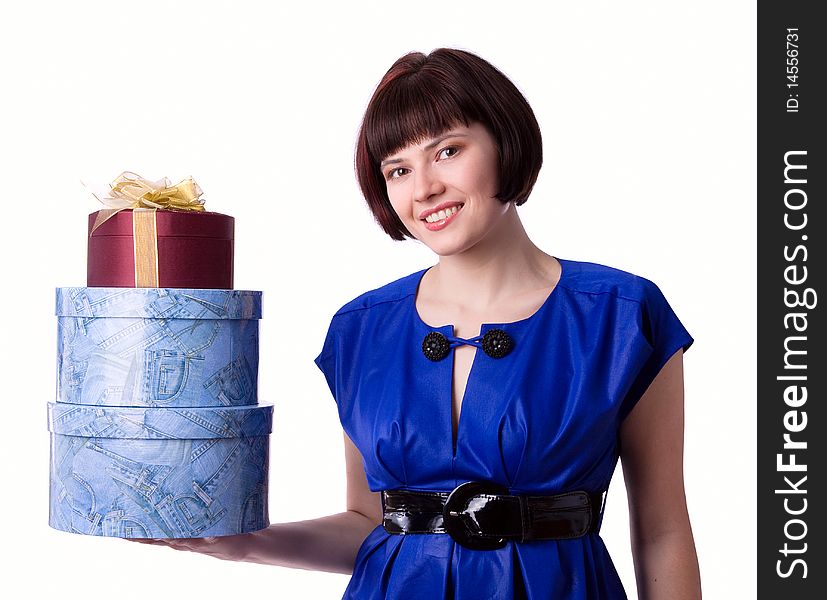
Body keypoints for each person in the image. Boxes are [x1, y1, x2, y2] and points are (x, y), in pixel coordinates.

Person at [131, 48, 702, 600]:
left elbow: (661, 531)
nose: (424, 187)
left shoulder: (622, 314)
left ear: (505, 142)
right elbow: (369, 524)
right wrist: (243, 543)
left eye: (448, 151)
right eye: (397, 169)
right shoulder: (360, 331)